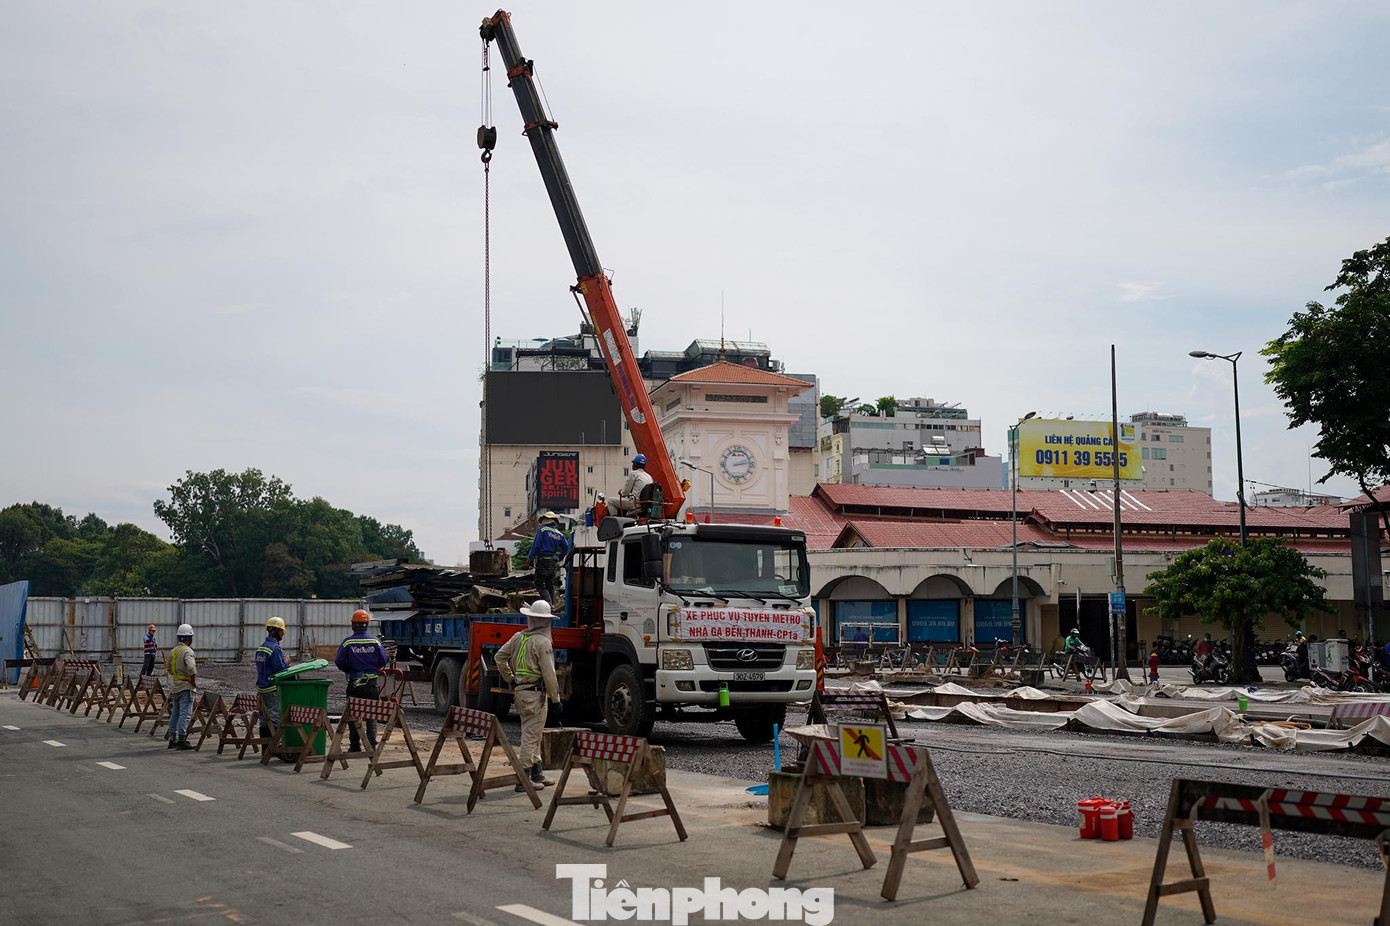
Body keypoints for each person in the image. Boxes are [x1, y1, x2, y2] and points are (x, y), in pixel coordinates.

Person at [495, 599, 561, 791]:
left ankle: (537, 773)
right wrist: (556, 699)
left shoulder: (518, 637)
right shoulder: (543, 642)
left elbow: (499, 657)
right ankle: (523, 779)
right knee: (530, 737)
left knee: (535, 734)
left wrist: (511, 678)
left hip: (521, 693)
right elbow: (549, 674)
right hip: (535, 695)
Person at [335, 609, 387, 753]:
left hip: (354, 683)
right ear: (366, 624)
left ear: (353, 625)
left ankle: (355, 746)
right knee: (372, 714)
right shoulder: (375, 641)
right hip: (371, 684)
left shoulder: (348, 642)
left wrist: (350, 670)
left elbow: (339, 661)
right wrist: (372, 668)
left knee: (353, 714)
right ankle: (371, 746)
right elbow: (383, 660)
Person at [255, 617, 291, 738]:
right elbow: (280, 668)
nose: (283, 634)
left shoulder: (261, 647)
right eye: (282, 631)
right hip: (271, 689)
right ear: (277, 631)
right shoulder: (275, 648)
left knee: (264, 720)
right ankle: (273, 747)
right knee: (274, 718)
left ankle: (265, 748)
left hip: (261, 689)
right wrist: (286, 661)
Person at [527, 512, 571, 610]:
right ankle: (551, 606)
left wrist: (529, 559)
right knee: (549, 585)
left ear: (545, 519)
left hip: (543, 561)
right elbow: (566, 547)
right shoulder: (559, 534)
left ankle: (549, 604)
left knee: (539, 584)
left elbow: (536, 545)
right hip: (553, 563)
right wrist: (558, 558)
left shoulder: (542, 530)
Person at [166, 623, 198, 751]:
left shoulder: (173, 651)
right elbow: (191, 669)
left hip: (175, 686)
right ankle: (182, 739)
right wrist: (193, 682)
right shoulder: (187, 651)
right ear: (189, 637)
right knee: (184, 714)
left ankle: (172, 739)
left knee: (175, 713)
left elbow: (168, 668)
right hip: (185, 687)